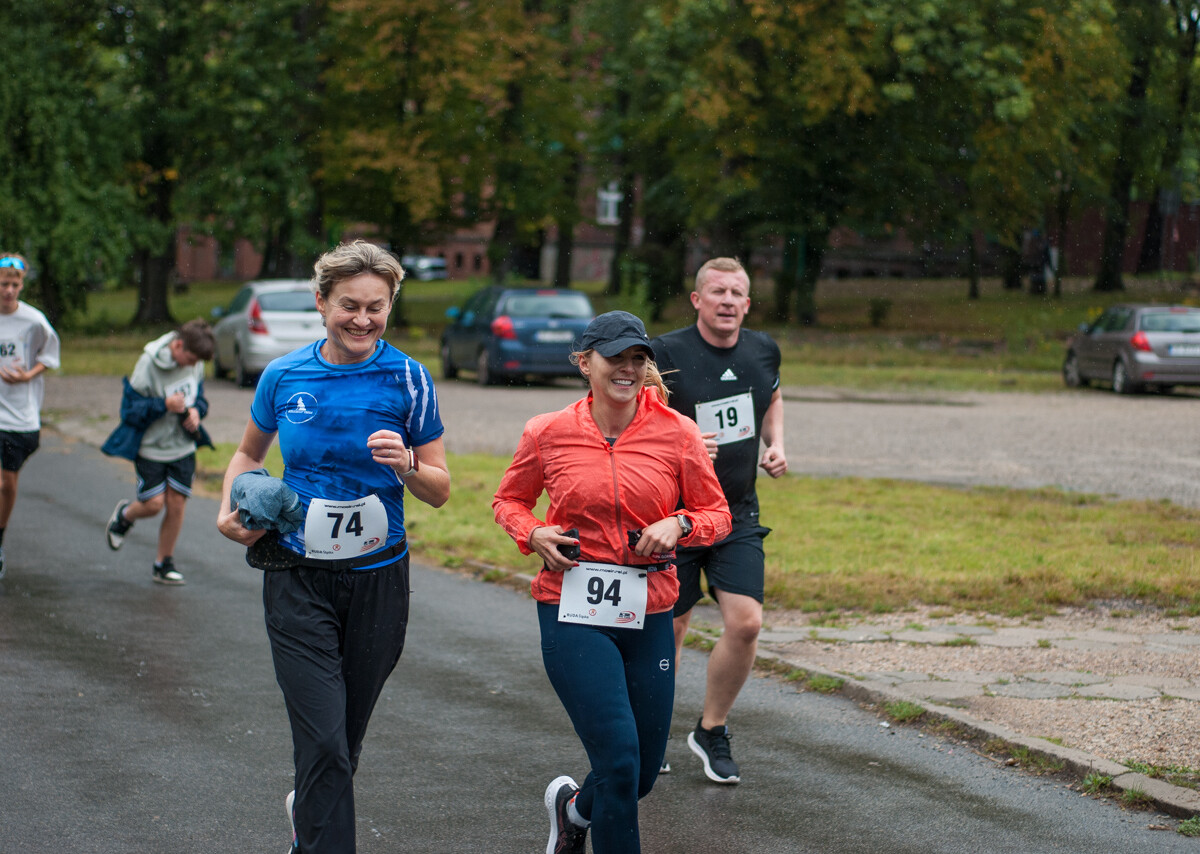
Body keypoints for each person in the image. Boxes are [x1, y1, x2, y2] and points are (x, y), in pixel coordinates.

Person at [216, 240, 449, 854]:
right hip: (296, 573)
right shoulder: (285, 375)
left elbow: (441, 489)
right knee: (322, 741)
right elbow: (247, 454)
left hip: (379, 579)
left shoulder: (409, 378)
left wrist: (406, 466)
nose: (363, 320)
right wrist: (228, 507)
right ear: (322, 303)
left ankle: (311, 816)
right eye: (349, 305)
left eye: (377, 307)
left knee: (342, 742)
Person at [493, 310, 731, 854]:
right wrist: (532, 533)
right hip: (571, 605)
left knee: (641, 774)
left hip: (648, 608)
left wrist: (681, 523)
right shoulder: (547, 431)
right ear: (585, 363)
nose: (627, 369)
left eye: (637, 359)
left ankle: (573, 811)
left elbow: (716, 514)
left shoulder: (678, 433)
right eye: (615, 358)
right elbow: (509, 501)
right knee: (620, 761)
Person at [651, 257, 788, 784]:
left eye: (737, 293)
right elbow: (641, 415)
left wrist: (776, 444)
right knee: (673, 627)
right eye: (717, 291)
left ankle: (711, 729)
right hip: (674, 514)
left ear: (747, 304)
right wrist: (683, 440)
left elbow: (770, 395)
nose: (727, 300)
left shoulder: (763, 349)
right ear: (697, 299)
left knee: (747, 622)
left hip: (735, 512)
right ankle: (651, 729)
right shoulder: (667, 352)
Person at [102, 318, 216, 586]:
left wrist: (198, 411)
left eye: (197, 362)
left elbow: (199, 397)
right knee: (153, 505)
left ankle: (163, 563)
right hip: (151, 447)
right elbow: (130, 411)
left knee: (176, 504)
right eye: (190, 358)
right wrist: (163, 404)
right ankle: (125, 516)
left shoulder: (195, 361)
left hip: (182, 447)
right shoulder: (148, 363)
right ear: (177, 345)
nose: (192, 365)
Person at [0, 253, 61, 581]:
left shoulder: (33, 321)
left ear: (22, 285)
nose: (9, 290)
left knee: (7, 484)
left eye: (14, 284)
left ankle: (0, 537)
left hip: (20, 416)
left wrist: (27, 376)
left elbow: (50, 356)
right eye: (3, 284)